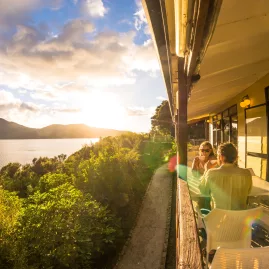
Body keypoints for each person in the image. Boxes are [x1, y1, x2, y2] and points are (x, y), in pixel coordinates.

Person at [199, 142, 252, 210]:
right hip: (240, 218)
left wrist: (206, 170)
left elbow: (203, 191)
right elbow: (248, 192)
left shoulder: (211, 173)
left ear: (221, 157)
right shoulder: (246, 173)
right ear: (236, 157)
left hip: (218, 218)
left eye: (218, 156)